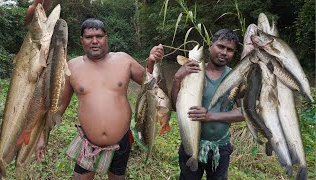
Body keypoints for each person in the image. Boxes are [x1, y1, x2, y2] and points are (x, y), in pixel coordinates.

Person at [35, 18, 164, 180]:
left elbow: (149, 83)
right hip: (88, 142)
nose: (94, 41)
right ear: (82, 40)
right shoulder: (72, 67)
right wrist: (42, 137)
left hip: (121, 142)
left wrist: (151, 61)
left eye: (99, 36)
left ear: (106, 37)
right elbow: (58, 107)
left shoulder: (124, 60)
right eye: (89, 37)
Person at [171, 29, 244, 180]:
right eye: (220, 46)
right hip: (190, 145)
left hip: (221, 147)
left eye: (230, 50)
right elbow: (174, 106)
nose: (224, 52)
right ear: (210, 46)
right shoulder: (191, 71)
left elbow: (244, 112)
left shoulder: (236, 77)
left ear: (233, 53)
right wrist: (177, 79)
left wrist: (210, 116)